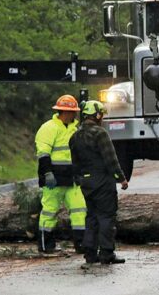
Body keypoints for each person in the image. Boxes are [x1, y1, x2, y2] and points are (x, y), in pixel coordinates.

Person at [69, 100, 129, 266]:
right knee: (106, 217)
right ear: (97, 115)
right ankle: (107, 253)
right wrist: (121, 178)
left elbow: (75, 163)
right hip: (102, 181)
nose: (102, 118)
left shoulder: (75, 136)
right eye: (101, 114)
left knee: (92, 217)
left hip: (86, 183)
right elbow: (111, 159)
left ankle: (89, 253)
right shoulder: (100, 134)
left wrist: (79, 179)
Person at [34, 94, 87, 253]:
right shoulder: (48, 128)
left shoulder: (75, 129)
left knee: (79, 210)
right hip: (54, 179)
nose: (74, 114)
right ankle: (45, 246)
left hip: (72, 178)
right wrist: (47, 173)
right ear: (63, 112)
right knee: (49, 211)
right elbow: (43, 153)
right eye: (72, 112)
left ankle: (82, 245)